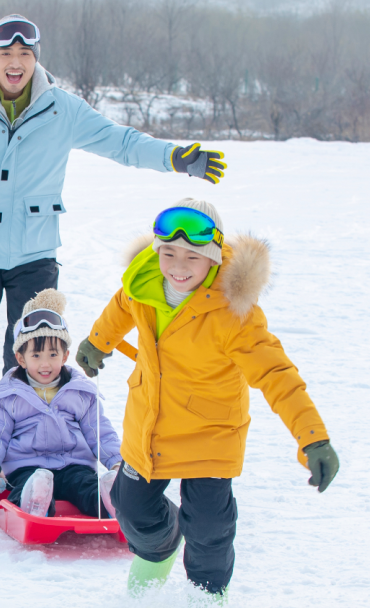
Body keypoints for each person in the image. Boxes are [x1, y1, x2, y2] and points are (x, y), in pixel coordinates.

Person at [0, 14, 228, 462]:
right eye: (6, 54)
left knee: (33, 349)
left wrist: (173, 157)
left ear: (35, 59)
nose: (15, 63)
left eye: (24, 55)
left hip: (34, 253)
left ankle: (22, 431)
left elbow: (119, 141)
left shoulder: (61, 109)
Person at [75, 199, 339, 600]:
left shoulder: (235, 313)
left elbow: (276, 375)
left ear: (214, 258)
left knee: (210, 527)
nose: (178, 266)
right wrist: (98, 342)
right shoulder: (143, 283)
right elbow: (121, 307)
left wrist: (313, 437)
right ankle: (160, 549)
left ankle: (208, 594)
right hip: (149, 424)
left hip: (211, 431)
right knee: (131, 510)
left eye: (192, 256)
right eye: (169, 253)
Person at [0, 289, 122, 518]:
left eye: (53, 355)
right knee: (29, 484)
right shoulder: (8, 396)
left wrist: (116, 462)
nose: (45, 364)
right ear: (21, 358)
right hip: (27, 467)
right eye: (36, 356)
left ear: (65, 356)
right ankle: (34, 501)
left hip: (73, 465)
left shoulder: (80, 393)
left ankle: (112, 500)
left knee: (86, 486)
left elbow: (100, 432)